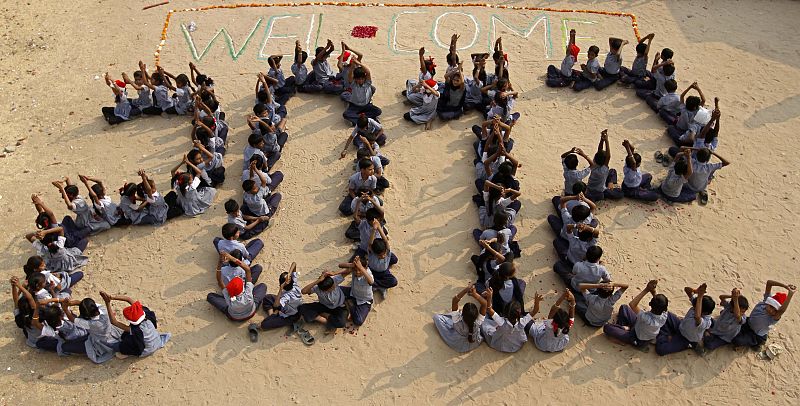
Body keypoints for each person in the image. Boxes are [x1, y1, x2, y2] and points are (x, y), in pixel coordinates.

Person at [603, 280, 669, 352]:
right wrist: (653, 291)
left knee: (607, 327)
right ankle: (624, 329)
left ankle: (624, 331)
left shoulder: (648, 320)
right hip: (639, 327)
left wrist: (647, 289)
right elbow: (659, 303)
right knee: (624, 307)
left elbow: (632, 304)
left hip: (636, 338)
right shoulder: (664, 314)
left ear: (650, 304)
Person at [100, 292, 170, 359]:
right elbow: (129, 299)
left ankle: (128, 354)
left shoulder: (135, 330)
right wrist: (112, 297)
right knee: (128, 336)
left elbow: (114, 322)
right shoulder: (147, 315)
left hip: (146, 350)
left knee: (117, 346)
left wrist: (107, 302)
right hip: (156, 342)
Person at [732, 280, 796, 349]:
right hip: (748, 323)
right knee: (732, 325)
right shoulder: (766, 301)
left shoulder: (772, 318)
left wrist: (790, 294)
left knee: (737, 341)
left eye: (775, 310)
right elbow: (769, 283)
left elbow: (782, 310)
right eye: (771, 307)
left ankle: (756, 344)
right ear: (768, 302)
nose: (771, 311)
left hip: (756, 335)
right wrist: (785, 286)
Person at [655, 283, 715, 356]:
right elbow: (687, 289)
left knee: (660, 349)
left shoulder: (706, 321)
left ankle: (689, 344)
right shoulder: (697, 304)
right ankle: (667, 333)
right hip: (681, 326)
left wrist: (700, 297)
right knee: (665, 313)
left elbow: (697, 317)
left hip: (686, 339)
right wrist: (696, 290)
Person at [249, 263, 304, 341]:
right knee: (268, 298)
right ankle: (273, 315)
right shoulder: (294, 283)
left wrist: (281, 289)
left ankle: (273, 316)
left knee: (265, 324)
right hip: (290, 307)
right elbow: (294, 264)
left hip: (290, 315)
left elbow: (276, 305)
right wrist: (289, 273)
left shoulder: (286, 296)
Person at [433, 283, 488, 353]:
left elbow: (454, 300)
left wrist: (466, 290)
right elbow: (485, 304)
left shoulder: (457, 321)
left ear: (462, 315)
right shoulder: (478, 322)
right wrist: (474, 294)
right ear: (476, 315)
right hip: (474, 343)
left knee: (437, 317)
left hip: (457, 343)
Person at [480, 288, 539, 353]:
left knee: (484, 322)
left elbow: (489, 309)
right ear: (519, 314)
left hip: (500, 345)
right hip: (516, 345)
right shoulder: (522, 322)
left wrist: (490, 297)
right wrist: (536, 302)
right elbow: (535, 311)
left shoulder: (501, 322)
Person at [337, 255, 375, 327]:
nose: (357, 272)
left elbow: (371, 282)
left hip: (364, 301)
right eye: (355, 270)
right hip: (352, 292)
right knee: (335, 288)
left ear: (365, 268)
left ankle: (350, 305)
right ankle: (349, 303)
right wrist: (352, 265)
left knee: (358, 321)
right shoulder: (354, 268)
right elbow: (340, 265)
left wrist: (360, 267)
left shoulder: (367, 273)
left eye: (359, 270)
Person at [586, 130, 623, 201]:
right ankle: (610, 185)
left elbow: (599, 150)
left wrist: (602, 139)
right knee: (620, 193)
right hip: (600, 191)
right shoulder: (603, 170)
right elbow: (608, 156)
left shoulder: (593, 164)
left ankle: (610, 183)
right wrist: (606, 140)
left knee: (612, 171)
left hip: (591, 187)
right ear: (604, 162)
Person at [342, 58, 381, 125]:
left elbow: (368, 72)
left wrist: (359, 63)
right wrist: (352, 66)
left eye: (362, 79)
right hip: (355, 106)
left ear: (364, 78)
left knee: (378, 111)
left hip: (366, 105)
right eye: (358, 79)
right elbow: (350, 76)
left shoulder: (367, 83)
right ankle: (365, 119)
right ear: (355, 79)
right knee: (346, 114)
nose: (360, 81)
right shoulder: (353, 84)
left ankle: (360, 119)